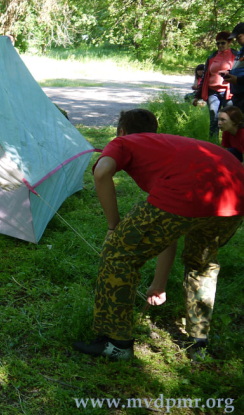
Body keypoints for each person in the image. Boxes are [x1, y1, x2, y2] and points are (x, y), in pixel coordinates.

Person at [73, 109, 244, 361]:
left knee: (117, 255)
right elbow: (170, 229)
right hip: (235, 195)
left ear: (121, 131)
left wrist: (113, 227)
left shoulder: (123, 141)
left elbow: (101, 172)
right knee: (202, 264)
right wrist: (159, 284)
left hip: (188, 193)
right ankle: (198, 341)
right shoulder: (168, 145)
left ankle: (116, 342)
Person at [193, 31, 237, 139]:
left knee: (229, 118)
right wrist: (197, 96)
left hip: (229, 92)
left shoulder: (235, 56)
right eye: (218, 43)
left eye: (223, 43)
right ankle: (213, 142)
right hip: (212, 91)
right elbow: (204, 77)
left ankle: (229, 143)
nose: (220, 45)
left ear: (229, 42)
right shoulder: (212, 57)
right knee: (214, 117)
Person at [223, 23, 244, 111]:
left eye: (239, 37)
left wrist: (237, 80)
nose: (237, 41)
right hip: (238, 94)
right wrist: (229, 73)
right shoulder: (241, 50)